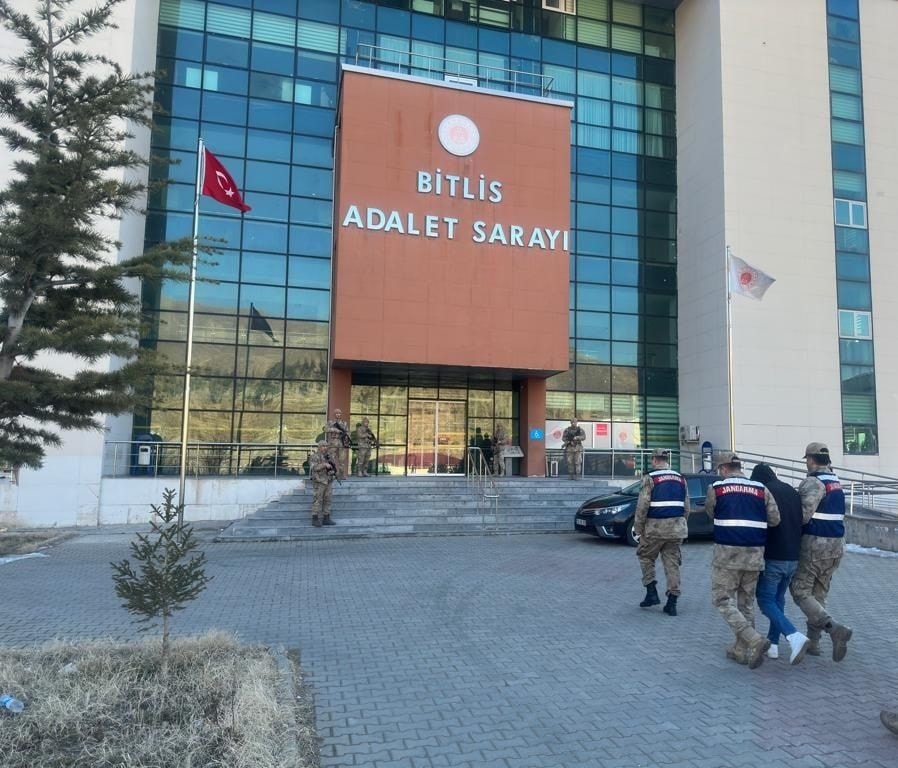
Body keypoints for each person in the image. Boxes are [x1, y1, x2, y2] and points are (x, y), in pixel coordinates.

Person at [706, 452, 780, 669]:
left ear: (724, 468)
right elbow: (775, 519)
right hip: (754, 554)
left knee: (722, 600)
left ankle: (753, 639)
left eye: (720, 470)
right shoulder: (761, 489)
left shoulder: (716, 488)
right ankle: (742, 651)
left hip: (727, 555)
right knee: (746, 603)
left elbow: (711, 513)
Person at [789, 442, 852, 661]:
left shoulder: (813, 482)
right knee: (819, 593)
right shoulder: (836, 481)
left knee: (800, 591)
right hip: (836, 546)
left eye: (807, 459)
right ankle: (814, 642)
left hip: (815, 544)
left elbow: (803, 515)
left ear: (811, 460)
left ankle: (833, 628)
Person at [750, 463, 810, 665]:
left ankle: (794, 636)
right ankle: (773, 645)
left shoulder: (765, 492)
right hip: (793, 557)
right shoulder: (791, 491)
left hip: (773, 556)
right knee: (778, 600)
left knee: (765, 600)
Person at [633, 449, 691, 616]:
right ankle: (672, 602)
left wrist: (638, 528)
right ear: (666, 459)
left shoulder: (650, 478)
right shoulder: (681, 478)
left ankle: (651, 592)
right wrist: (681, 523)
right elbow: (687, 506)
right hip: (677, 528)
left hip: (654, 529)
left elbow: (642, 506)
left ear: (654, 460)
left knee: (645, 556)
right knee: (672, 563)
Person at [308, 441, 337, 527]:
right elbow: (314, 467)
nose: (325, 448)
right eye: (323, 446)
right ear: (319, 447)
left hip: (328, 480)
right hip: (319, 481)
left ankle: (326, 518)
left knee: (328, 499)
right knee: (317, 499)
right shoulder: (314, 456)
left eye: (326, 446)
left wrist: (333, 471)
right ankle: (315, 519)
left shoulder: (328, 456)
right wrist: (324, 465)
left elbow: (332, 467)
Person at [324, 408, 350, 480]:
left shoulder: (344, 423)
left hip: (341, 442)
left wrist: (347, 437)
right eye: (337, 413)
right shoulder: (330, 422)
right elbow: (325, 429)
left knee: (342, 459)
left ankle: (341, 474)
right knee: (331, 458)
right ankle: (331, 473)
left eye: (339, 413)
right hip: (333, 442)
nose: (338, 415)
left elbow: (347, 432)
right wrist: (334, 430)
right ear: (334, 414)